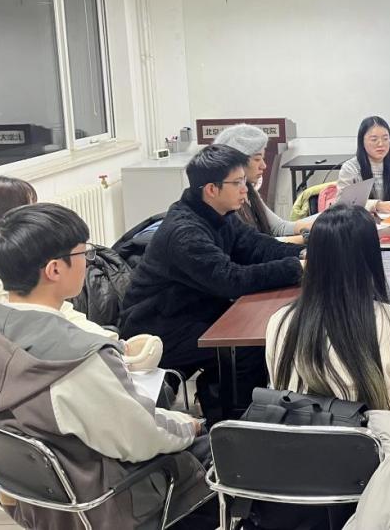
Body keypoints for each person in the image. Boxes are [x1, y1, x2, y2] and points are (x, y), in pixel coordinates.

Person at [0, 204, 213, 529]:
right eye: (83, 253)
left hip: (34, 497)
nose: (88, 261)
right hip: (103, 503)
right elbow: (140, 439)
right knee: (215, 449)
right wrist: (190, 425)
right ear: (54, 270)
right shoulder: (79, 361)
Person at [119, 144, 304, 419]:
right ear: (211, 189)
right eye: (237, 183)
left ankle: (232, 406)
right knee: (246, 347)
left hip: (194, 312)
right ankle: (236, 422)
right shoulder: (185, 232)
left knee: (261, 330)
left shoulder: (220, 214)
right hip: (162, 327)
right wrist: (296, 267)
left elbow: (256, 246)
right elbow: (231, 280)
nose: (245, 189)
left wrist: (302, 253)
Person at [267, 204, 390, 410]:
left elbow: (279, 388)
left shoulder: (280, 322)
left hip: (303, 429)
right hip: (378, 430)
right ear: (373, 257)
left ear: (311, 258)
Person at [0, 175, 116, 339]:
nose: (38, 217)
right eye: (28, 211)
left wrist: (110, 341)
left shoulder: (23, 257)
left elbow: (62, 313)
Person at [212, 124, 316, 237]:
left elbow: (279, 227)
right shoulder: (224, 203)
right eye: (257, 159)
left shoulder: (249, 192)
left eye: (263, 158)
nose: (263, 166)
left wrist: (327, 217)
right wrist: (305, 238)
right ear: (236, 161)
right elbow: (252, 244)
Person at [337, 116, 390, 214]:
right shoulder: (351, 168)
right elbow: (342, 204)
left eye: (385, 139)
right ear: (362, 141)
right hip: (360, 221)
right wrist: (376, 205)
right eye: (374, 139)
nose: (380, 144)